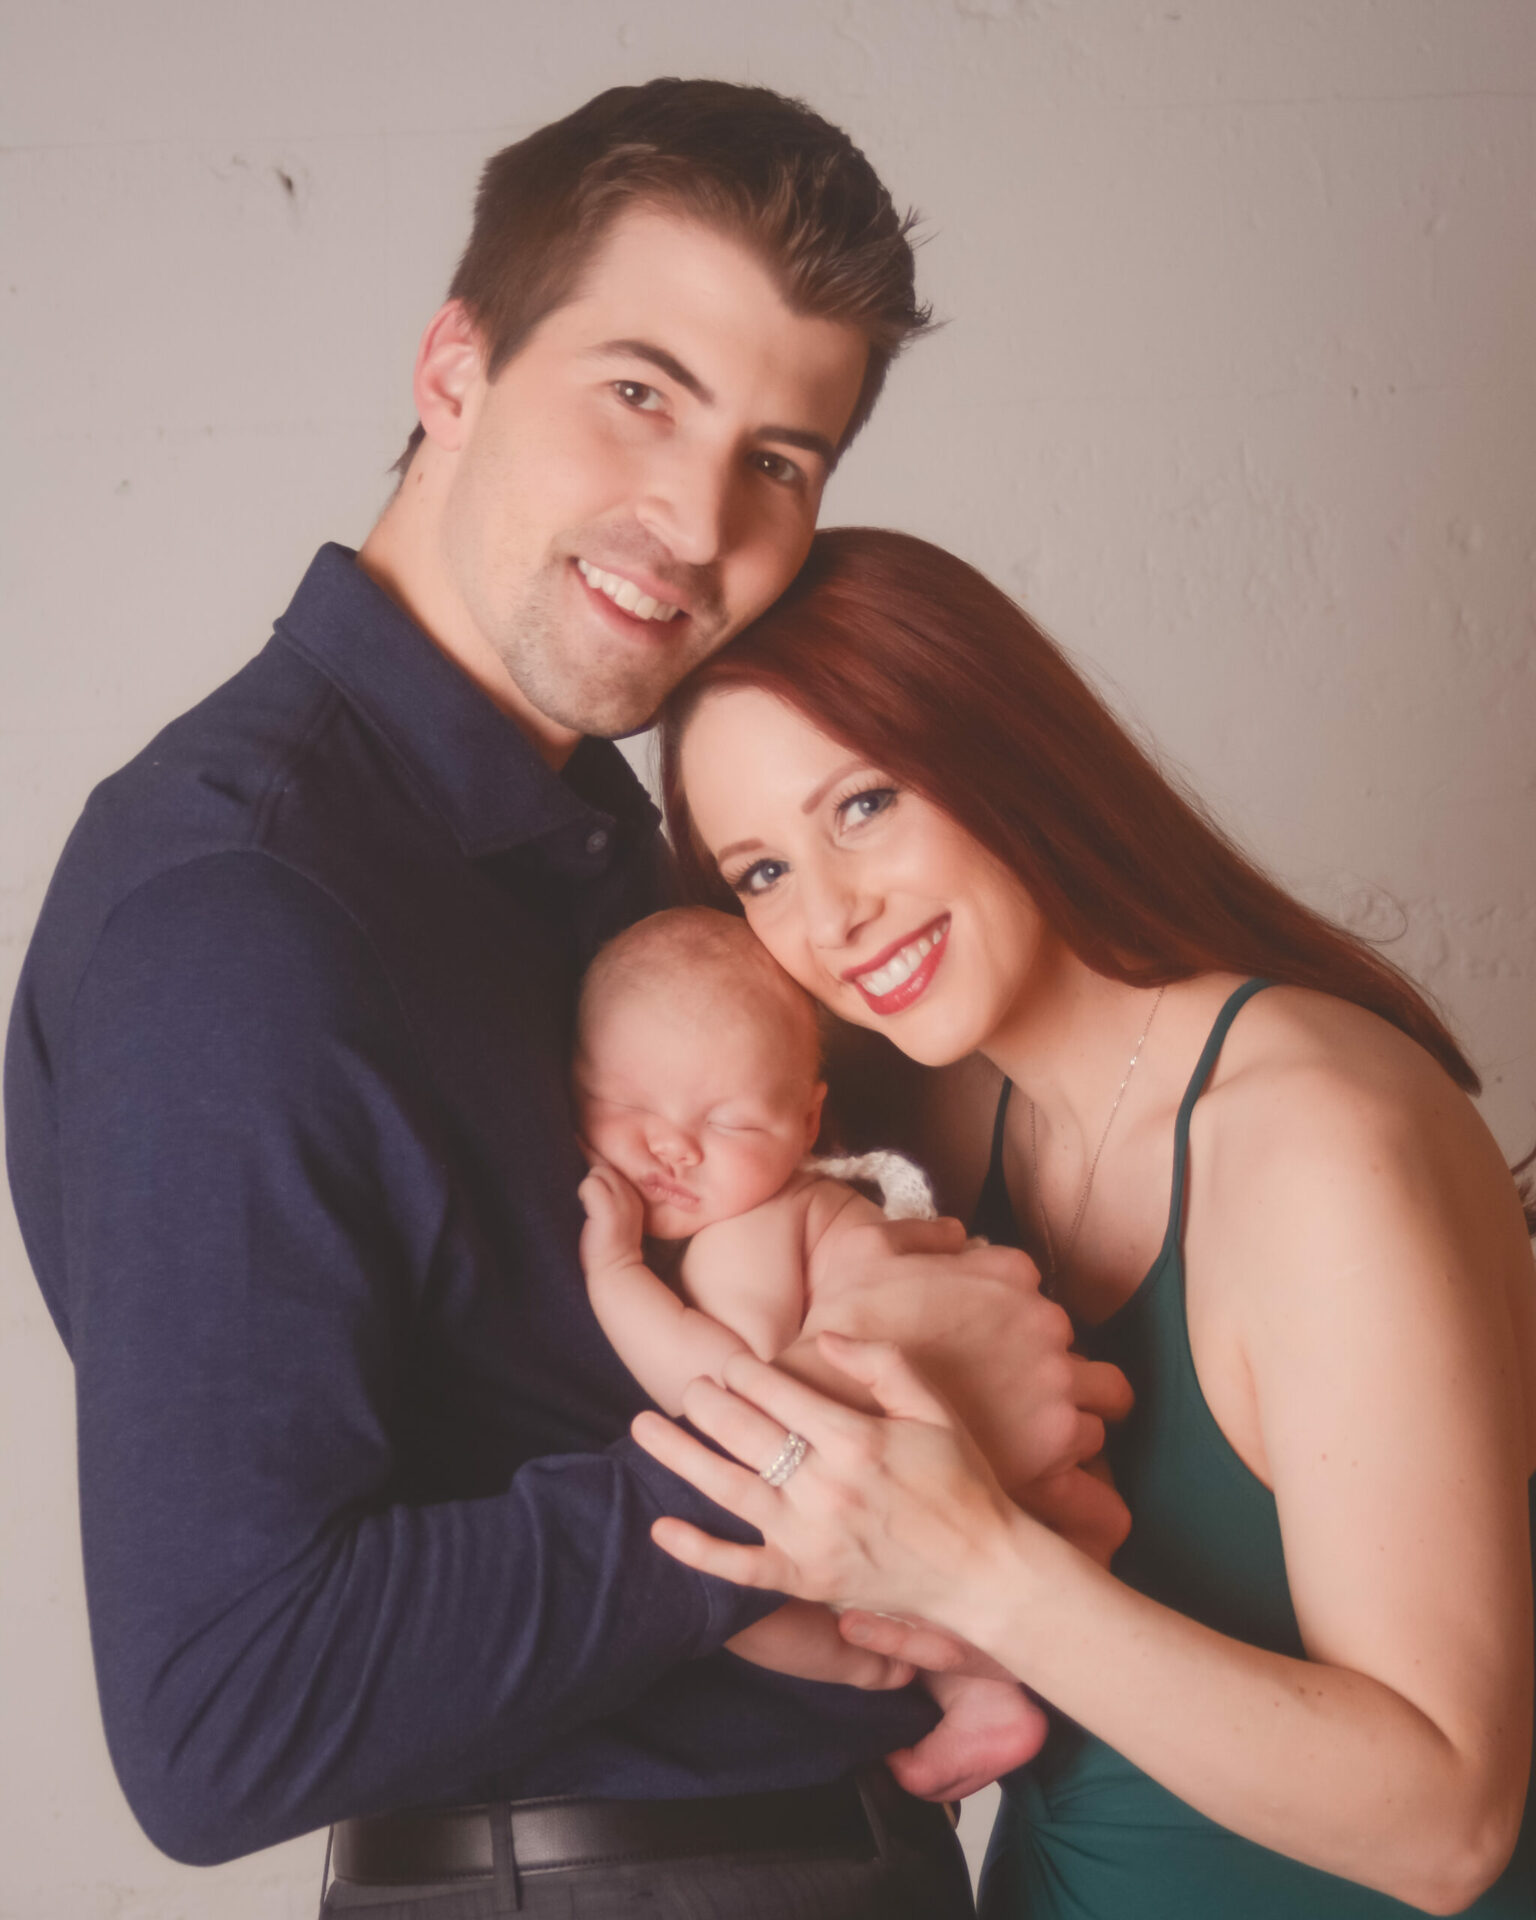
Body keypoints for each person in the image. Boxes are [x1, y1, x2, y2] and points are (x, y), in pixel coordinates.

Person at [4, 84, 1125, 1919]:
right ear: (455, 365)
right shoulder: (240, 916)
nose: (694, 521)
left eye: (781, 457)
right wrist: (834, 1448)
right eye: (640, 391)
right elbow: (222, 1721)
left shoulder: (595, 828)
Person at [634, 525, 1536, 1917]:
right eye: (760, 873)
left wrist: (977, 1570)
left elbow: (1449, 1824)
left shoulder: (1315, 1143)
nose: (833, 915)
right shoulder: (943, 1122)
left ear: (1002, 744)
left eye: (863, 804)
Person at [573, 904, 1092, 1800]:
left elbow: (723, 1397)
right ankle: (971, 1690)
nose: (670, 1146)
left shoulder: (760, 1231)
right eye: (621, 1105)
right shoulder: (780, 1212)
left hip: (905, 1503)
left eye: (728, 1125)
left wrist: (616, 1271)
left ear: (808, 1122)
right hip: (937, 1505)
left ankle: (895, 1671)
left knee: (706, 1573)